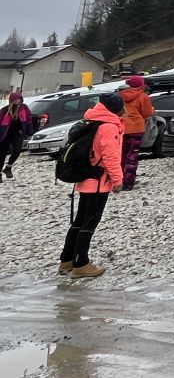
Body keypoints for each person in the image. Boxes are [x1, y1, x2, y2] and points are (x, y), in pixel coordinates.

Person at [59, 92, 125, 278]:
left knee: (80, 220)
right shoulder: (109, 126)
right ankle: (81, 263)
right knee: (90, 222)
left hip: (85, 177)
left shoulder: (91, 121)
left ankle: (66, 260)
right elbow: (110, 156)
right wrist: (117, 179)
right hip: (98, 181)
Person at [117, 76, 155, 189]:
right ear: (141, 84)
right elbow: (147, 113)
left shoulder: (119, 95)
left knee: (120, 155)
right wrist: (153, 110)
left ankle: (117, 181)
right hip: (135, 129)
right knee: (132, 155)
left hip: (120, 127)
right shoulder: (143, 96)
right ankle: (128, 183)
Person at [0, 91, 34, 181]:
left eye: (18, 99)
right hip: (5, 134)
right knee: (2, 154)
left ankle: (8, 167)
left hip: (18, 133)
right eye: (14, 99)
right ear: (11, 100)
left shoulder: (24, 108)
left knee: (17, 150)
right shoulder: (5, 110)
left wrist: (29, 130)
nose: (16, 101)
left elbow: (29, 119)